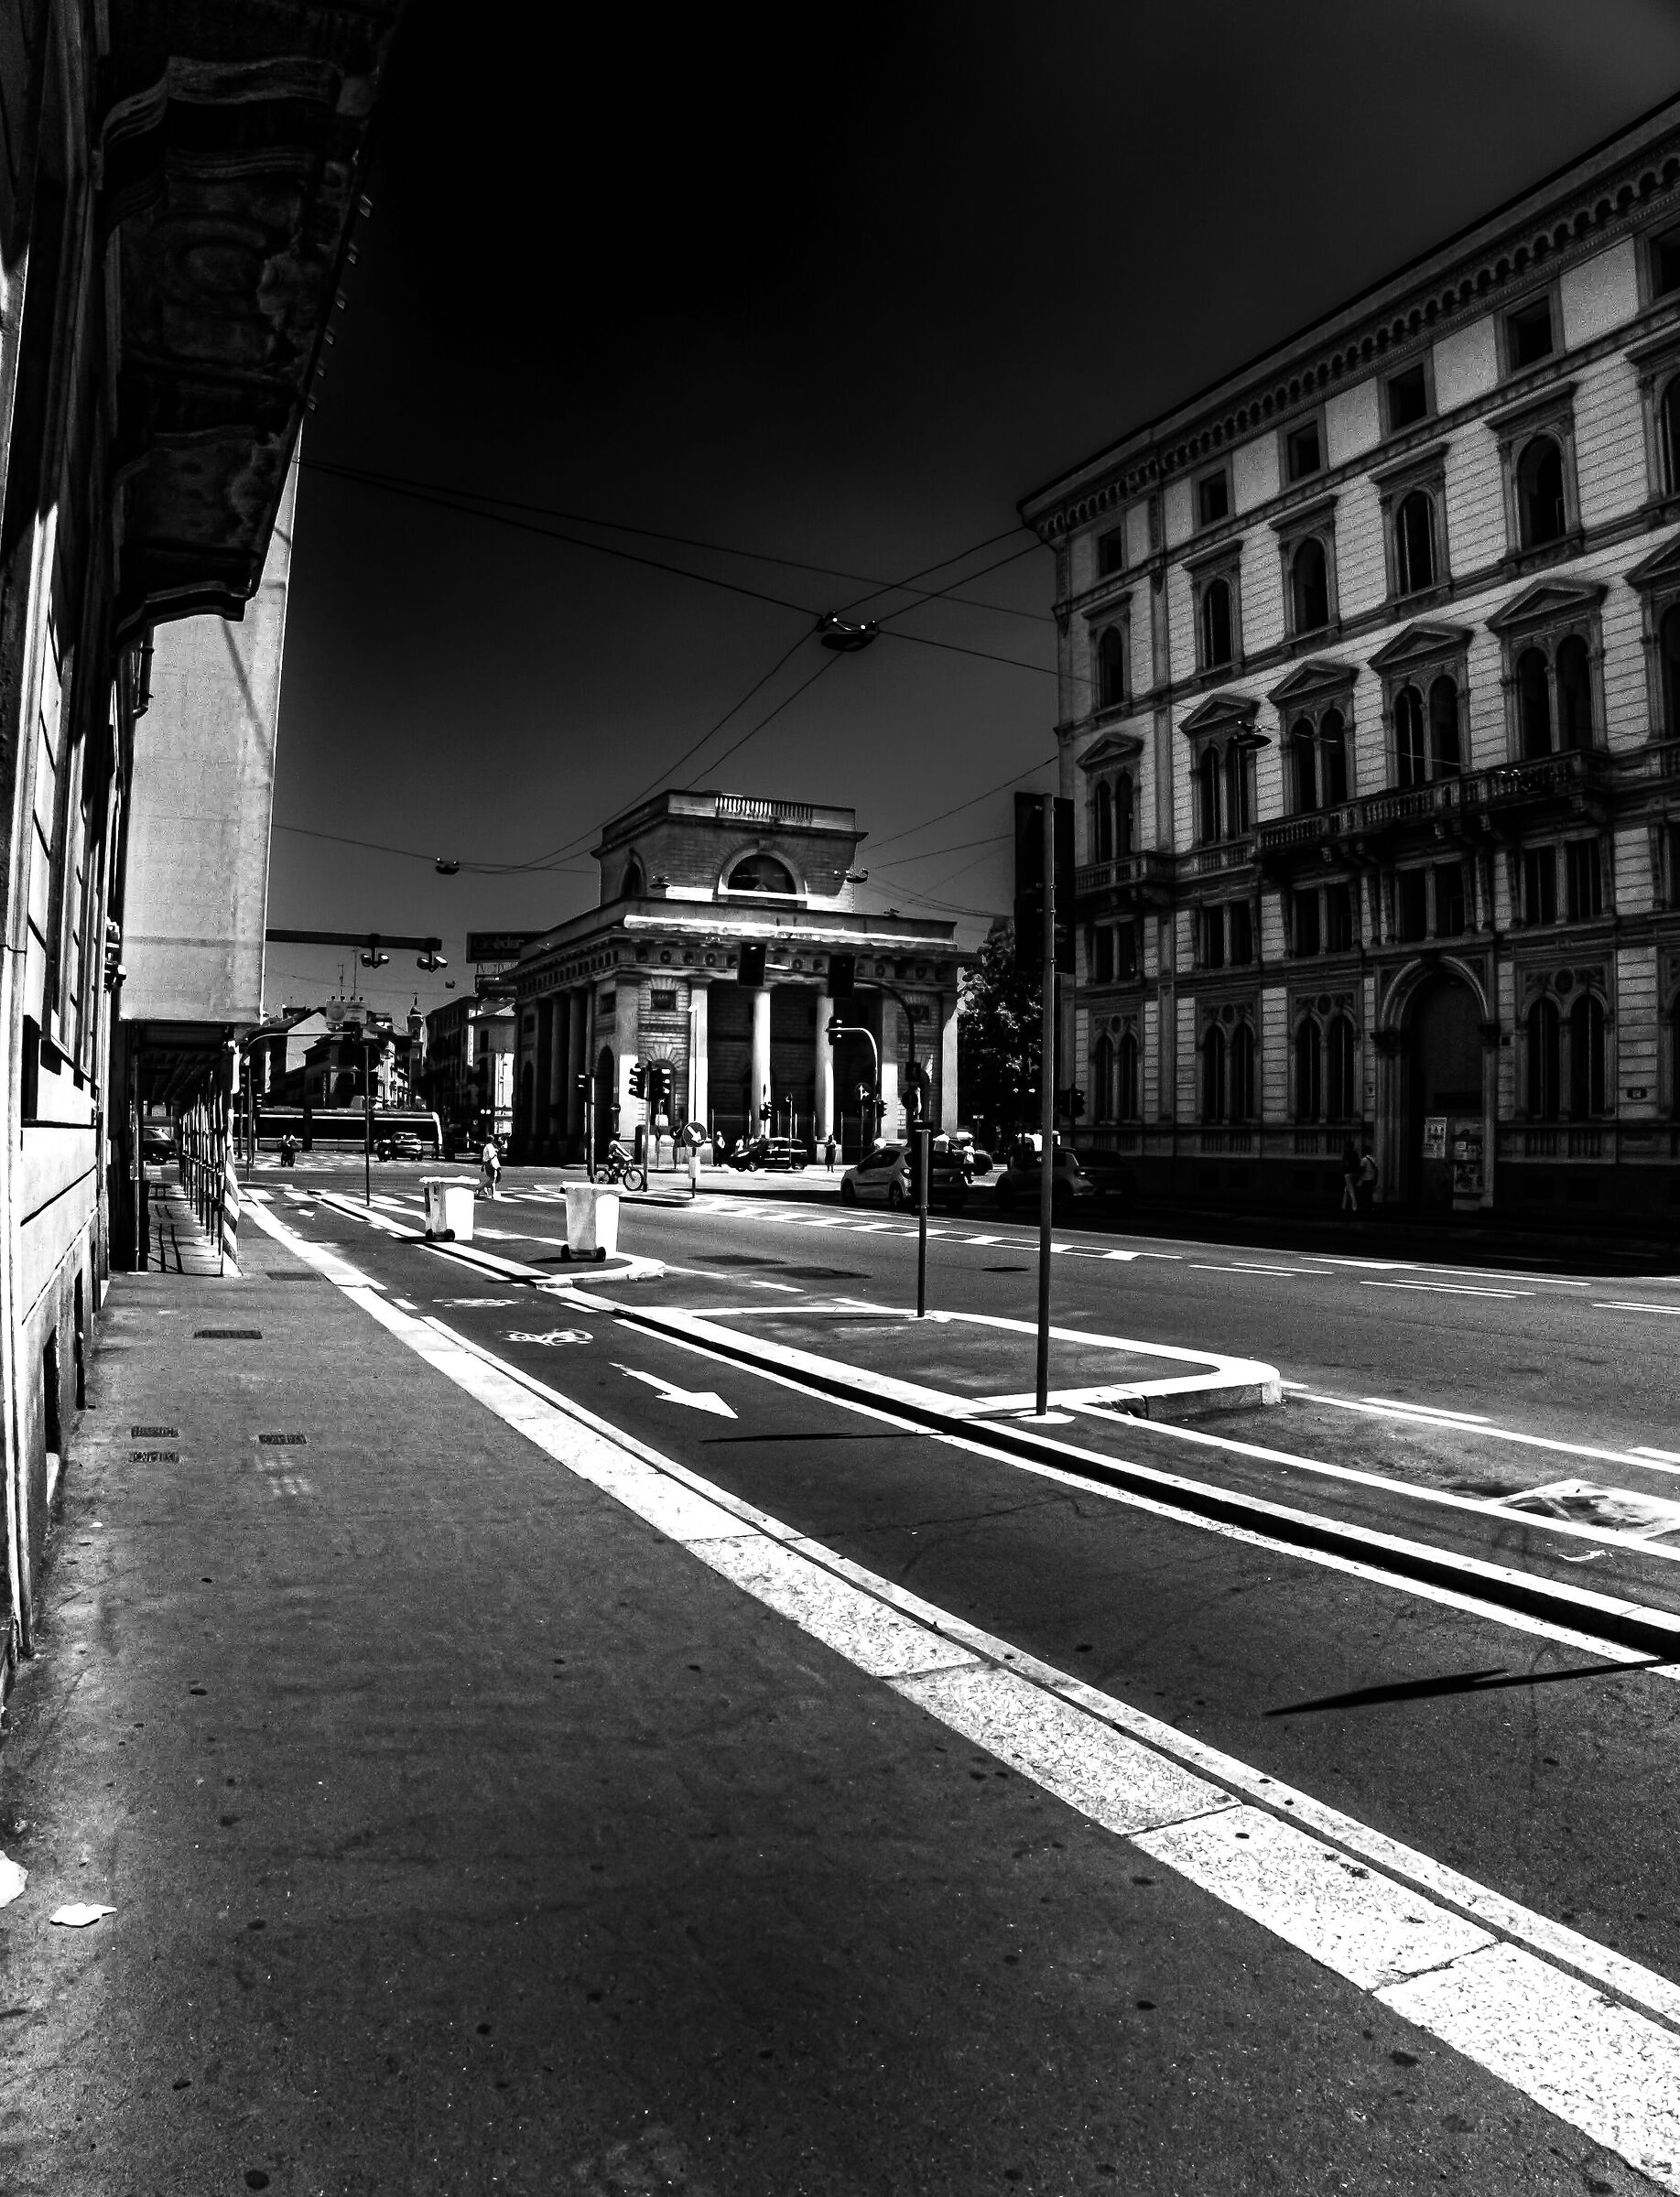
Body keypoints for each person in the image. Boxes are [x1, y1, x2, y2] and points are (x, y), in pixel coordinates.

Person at [1339, 1136, 1359, 1219]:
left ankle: (1355, 1207)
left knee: (1351, 1191)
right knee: (1346, 1190)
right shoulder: (1355, 1154)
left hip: (1348, 1174)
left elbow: (1346, 1164)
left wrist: (1344, 1169)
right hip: (1354, 1174)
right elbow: (1358, 1163)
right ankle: (1343, 1206)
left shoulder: (1346, 1154)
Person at [1357, 1142, 1379, 1217]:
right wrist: (1376, 1179)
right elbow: (1376, 1170)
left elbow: (1361, 1169)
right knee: (1369, 1194)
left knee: (1364, 1194)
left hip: (1365, 1179)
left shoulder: (1364, 1160)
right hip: (1371, 1179)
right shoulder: (1373, 1159)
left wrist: (1359, 1177)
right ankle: (1370, 1207)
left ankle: (1364, 1208)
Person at [480, 1134, 502, 1200]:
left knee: (493, 1179)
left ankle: (487, 1190)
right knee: (493, 1179)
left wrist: (483, 1165)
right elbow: (490, 1156)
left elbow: (484, 1157)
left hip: (489, 1164)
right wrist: (495, 1153)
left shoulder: (487, 1146)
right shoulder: (489, 1146)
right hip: (491, 1164)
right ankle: (490, 1192)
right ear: (492, 1140)